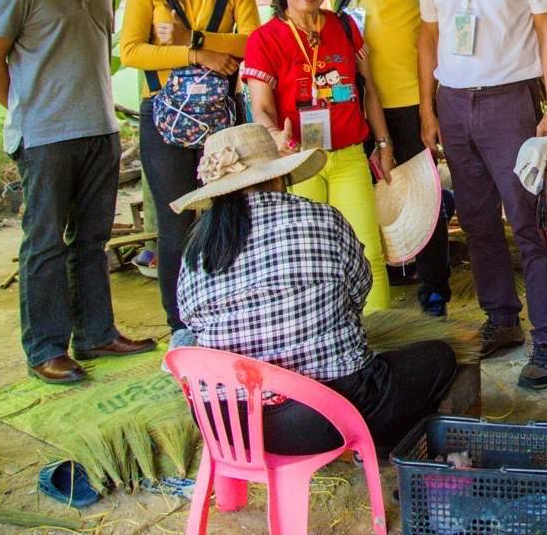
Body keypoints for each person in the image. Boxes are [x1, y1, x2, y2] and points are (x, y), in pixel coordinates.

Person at [174, 123, 457, 455]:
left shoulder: (197, 246)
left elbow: (191, 322)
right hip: (323, 418)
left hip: (229, 429)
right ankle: (385, 445)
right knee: (439, 358)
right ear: (278, 176)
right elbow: (359, 289)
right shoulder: (320, 219)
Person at [0, 0, 154, 384]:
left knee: (92, 240)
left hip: (99, 131)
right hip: (45, 137)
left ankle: (96, 333)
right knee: (45, 243)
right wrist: (27, 111)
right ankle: (46, 348)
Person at [418, 0, 547, 391]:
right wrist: (427, 107)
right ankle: (502, 320)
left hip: (513, 101)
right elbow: (429, 38)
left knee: (529, 220)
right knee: (479, 222)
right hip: (455, 103)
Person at [120, 0, 260, 332]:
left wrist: (192, 37)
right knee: (175, 225)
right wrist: (197, 56)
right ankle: (180, 325)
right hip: (163, 119)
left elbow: (252, 44)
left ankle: (230, 315)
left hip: (222, 119)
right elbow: (131, 51)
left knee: (230, 215)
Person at [242, 0, 396, 313]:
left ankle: (377, 338)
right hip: (298, 164)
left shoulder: (343, 27)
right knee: (309, 260)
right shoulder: (264, 39)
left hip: (348, 158)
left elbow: (368, 89)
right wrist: (276, 135)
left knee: (367, 251)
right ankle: (321, 338)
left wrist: (384, 143)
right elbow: (261, 106)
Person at [325, 0, 450, 317]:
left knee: (423, 194)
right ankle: (366, 284)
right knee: (356, 195)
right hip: (344, 100)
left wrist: (431, 101)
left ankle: (435, 289)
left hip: (407, 97)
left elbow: (439, 26)